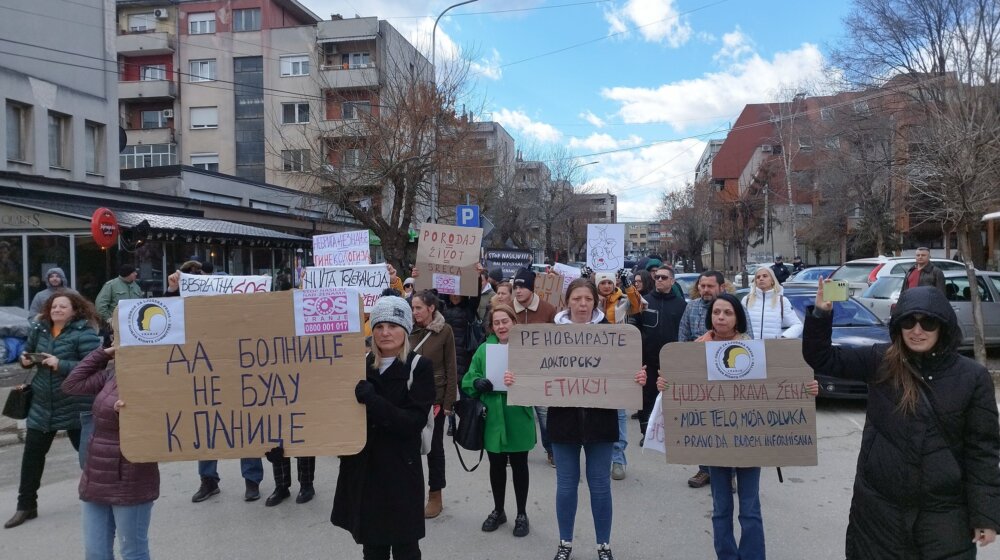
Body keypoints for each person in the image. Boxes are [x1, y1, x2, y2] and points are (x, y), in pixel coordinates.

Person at [804, 283, 1000, 559]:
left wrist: (985, 515)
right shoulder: (880, 360)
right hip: (879, 513)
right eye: (909, 321)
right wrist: (821, 314)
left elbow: (983, 450)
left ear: (943, 326)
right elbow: (821, 357)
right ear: (898, 325)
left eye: (928, 322)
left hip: (944, 517)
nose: (917, 330)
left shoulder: (972, 377)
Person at [659, 293, 818, 560]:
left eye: (727, 313)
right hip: (714, 443)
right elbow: (678, 387)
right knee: (721, 508)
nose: (721, 317)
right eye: (716, 312)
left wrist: (807, 388)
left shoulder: (755, 350)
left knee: (749, 508)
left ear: (738, 319)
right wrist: (666, 385)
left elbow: (780, 385)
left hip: (749, 442)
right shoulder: (695, 350)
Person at [506, 278, 646, 560]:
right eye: (576, 299)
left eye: (588, 299)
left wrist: (637, 378)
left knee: (600, 486)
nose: (582, 304)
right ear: (567, 302)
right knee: (567, 486)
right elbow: (534, 369)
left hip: (601, 421)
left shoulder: (612, 334)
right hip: (564, 421)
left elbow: (624, 372)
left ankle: (603, 545)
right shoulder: (552, 334)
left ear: (596, 302)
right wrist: (515, 378)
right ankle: (565, 543)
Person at [332, 296, 435, 560]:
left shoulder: (419, 367)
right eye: (379, 326)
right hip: (365, 472)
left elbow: (412, 422)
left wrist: (373, 401)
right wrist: (289, 445)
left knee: (406, 549)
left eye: (393, 325)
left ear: (406, 329)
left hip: (400, 472)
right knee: (373, 549)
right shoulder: (357, 366)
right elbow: (331, 416)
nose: (385, 332)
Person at [163, 262, 266, 503]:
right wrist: (172, 291)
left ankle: (252, 480)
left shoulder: (236, 299)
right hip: (205, 371)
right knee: (207, 425)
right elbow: (168, 317)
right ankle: (208, 480)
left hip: (241, 370)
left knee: (246, 425)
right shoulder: (193, 304)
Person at [6, 293, 102, 528]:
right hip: (42, 404)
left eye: (63, 306)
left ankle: (102, 502)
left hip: (75, 404)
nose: (57, 309)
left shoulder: (84, 332)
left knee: (89, 458)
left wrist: (61, 364)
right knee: (32, 458)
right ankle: (26, 506)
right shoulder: (40, 329)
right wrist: (25, 360)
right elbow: (27, 352)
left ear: (75, 310)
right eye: (54, 306)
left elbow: (95, 366)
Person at [62, 343, 159, 560]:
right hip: (96, 475)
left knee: (132, 552)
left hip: (130, 478)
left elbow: (159, 423)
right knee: (95, 553)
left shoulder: (155, 377)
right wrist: (102, 354)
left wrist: (128, 415)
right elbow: (71, 384)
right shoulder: (111, 375)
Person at [462, 304, 536, 538]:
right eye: (497, 323)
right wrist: (476, 383)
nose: (502, 326)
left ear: (514, 322)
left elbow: (538, 379)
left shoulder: (526, 349)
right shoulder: (484, 349)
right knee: (496, 465)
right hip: (493, 415)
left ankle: (522, 513)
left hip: (518, 413)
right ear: (491, 327)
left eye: (505, 321)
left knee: (520, 465)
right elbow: (469, 377)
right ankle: (498, 509)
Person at [676, 270, 737, 488]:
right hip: (699, 374)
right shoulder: (691, 307)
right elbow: (682, 337)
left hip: (729, 374)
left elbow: (748, 341)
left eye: (710, 286)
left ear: (721, 287)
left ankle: (730, 472)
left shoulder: (735, 307)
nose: (705, 290)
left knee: (727, 424)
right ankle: (705, 469)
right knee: (703, 423)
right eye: (702, 286)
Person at [409, 290, 457, 519]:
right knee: (409, 447)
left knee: (434, 449)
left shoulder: (444, 331)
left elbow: (451, 367)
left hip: (435, 400)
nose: (414, 312)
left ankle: (435, 495)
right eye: (412, 308)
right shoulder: (407, 329)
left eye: (418, 307)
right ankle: (411, 494)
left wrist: (448, 402)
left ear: (431, 308)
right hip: (409, 398)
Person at [595, 270, 642, 481]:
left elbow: (638, 306)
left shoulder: (623, 300)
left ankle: (618, 458)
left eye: (609, 282)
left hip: (618, 360)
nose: (606, 286)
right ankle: (599, 457)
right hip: (594, 362)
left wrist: (629, 285)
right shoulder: (590, 300)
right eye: (602, 282)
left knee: (619, 412)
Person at [511, 267, 558, 466]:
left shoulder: (548, 309)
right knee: (515, 414)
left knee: (545, 414)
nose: (518, 291)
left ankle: (552, 450)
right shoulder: (507, 308)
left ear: (532, 288)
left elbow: (557, 339)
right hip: (515, 370)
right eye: (515, 287)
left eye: (522, 287)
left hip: (541, 372)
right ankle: (513, 451)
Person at [637, 266, 686, 440]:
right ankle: (646, 433)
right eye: (657, 277)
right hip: (648, 359)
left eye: (664, 277)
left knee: (670, 396)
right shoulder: (644, 302)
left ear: (672, 281)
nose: (659, 280)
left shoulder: (681, 305)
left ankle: (669, 433)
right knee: (646, 398)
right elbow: (636, 328)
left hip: (672, 361)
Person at [742, 266, 802, 340]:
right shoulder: (746, 300)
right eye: (758, 277)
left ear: (772, 280)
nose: (761, 279)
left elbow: (797, 325)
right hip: (751, 346)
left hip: (773, 345)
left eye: (765, 276)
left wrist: (784, 337)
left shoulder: (782, 301)